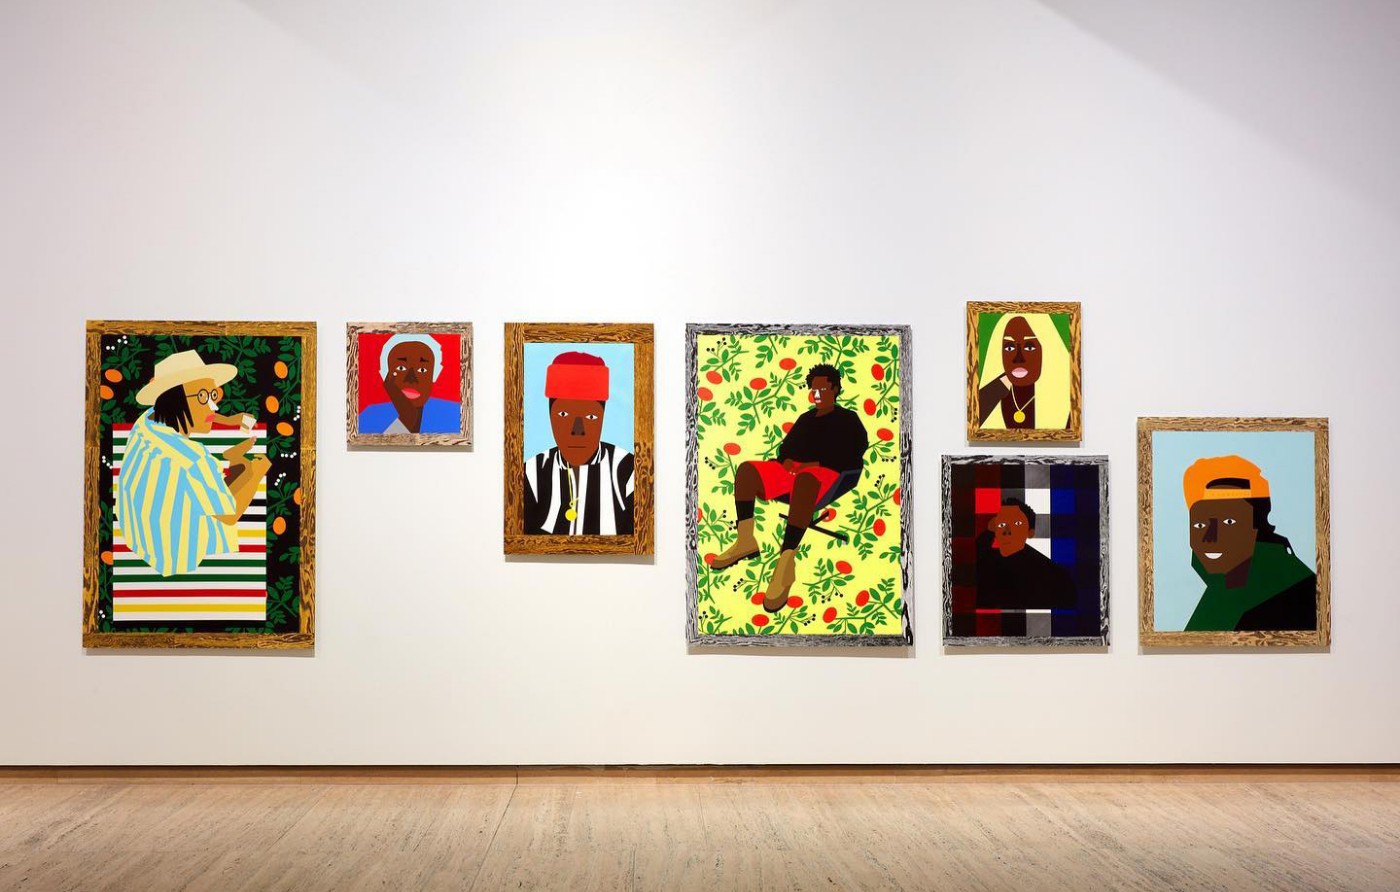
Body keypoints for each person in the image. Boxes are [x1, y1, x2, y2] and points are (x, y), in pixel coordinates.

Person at [709, 364, 868, 612]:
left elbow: (852, 453)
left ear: (835, 389)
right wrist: (787, 462)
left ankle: (786, 563)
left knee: (805, 480)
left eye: (823, 389)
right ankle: (745, 540)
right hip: (795, 472)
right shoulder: (806, 419)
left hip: (830, 474)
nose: (816, 395)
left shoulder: (848, 419)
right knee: (747, 471)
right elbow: (786, 449)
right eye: (813, 390)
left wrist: (810, 465)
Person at [117, 350, 269, 577]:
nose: (214, 407)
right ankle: (240, 464)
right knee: (248, 471)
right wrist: (255, 473)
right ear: (174, 401)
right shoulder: (193, 459)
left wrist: (228, 420)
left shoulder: (145, 422)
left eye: (214, 395)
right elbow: (229, 514)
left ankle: (235, 462)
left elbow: (191, 409)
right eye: (202, 397)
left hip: (140, 536)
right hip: (176, 557)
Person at [1182, 456, 1317, 632]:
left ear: (1257, 526)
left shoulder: (1287, 591)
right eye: (1200, 525)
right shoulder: (1226, 585)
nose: (1210, 538)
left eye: (1228, 522)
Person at [523, 351, 635, 535]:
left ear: (602, 417)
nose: (577, 430)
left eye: (590, 416)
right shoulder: (530, 474)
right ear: (550, 415)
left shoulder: (629, 472)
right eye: (563, 414)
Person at [976, 314, 1072, 432]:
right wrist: (998, 388)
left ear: (1047, 350)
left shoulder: (1068, 405)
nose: (1018, 359)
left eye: (1029, 348)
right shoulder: (995, 392)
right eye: (1009, 348)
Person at [974, 499, 1076, 609]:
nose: (1007, 530)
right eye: (1002, 523)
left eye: (1017, 523)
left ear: (1030, 532)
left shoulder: (1052, 575)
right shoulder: (986, 563)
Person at [357, 334, 461, 435]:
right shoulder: (369, 416)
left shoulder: (454, 414)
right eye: (401, 368)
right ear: (386, 375)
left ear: (433, 375)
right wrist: (407, 418)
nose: (411, 379)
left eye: (422, 370)